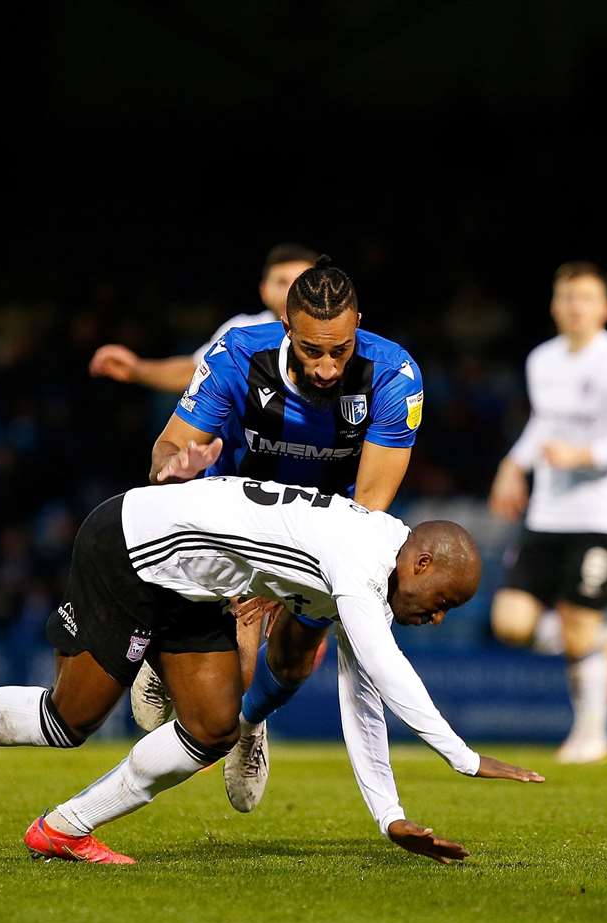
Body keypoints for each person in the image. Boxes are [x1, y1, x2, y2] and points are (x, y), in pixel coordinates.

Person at [0, 476, 544, 863]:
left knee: (212, 727)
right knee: (67, 721)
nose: (441, 616)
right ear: (421, 564)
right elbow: (387, 675)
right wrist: (461, 756)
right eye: (444, 600)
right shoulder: (360, 565)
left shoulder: (381, 560)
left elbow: (360, 694)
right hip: (129, 548)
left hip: (191, 583)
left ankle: (63, 828)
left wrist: (390, 816)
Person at [129, 257, 426, 814]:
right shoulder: (240, 354)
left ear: (357, 324)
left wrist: (284, 571)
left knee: (291, 659)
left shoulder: (394, 375)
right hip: (234, 518)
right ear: (287, 326)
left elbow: (367, 511)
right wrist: (175, 467)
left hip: (327, 529)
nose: (326, 366)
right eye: (312, 349)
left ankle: (250, 726)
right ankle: (170, 641)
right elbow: (165, 451)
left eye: (339, 350)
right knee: (235, 667)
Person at [488, 263, 607, 764]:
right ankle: (604, 643)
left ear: (604, 308)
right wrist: (513, 464)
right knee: (511, 623)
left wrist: (584, 455)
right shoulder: (542, 359)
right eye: (566, 296)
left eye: (585, 298)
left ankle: (592, 734)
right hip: (547, 514)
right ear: (553, 305)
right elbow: (545, 422)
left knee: (577, 627)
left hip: (602, 517)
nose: (574, 306)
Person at [88, 244, 318, 394]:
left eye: (302, 280)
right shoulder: (241, 331)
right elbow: (194, 372)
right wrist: (136, 368)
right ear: (263, 290)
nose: (292, 290)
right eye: (281, 282)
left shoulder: (343, 335)